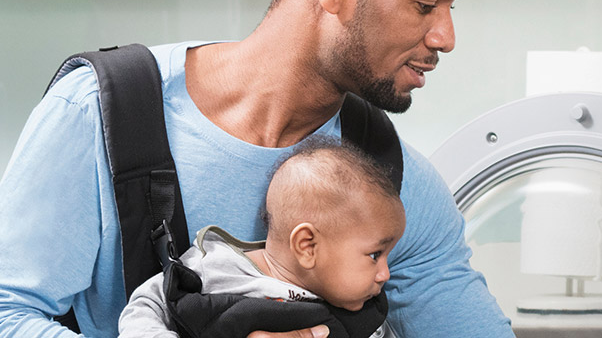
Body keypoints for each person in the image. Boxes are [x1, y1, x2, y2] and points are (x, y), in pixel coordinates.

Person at [0, 0, 514, 334]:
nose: (446, 36)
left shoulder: (388, 177)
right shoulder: (100, 113)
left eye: (451, 6)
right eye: (425, 4)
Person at [118, 138, 403, 338]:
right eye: (375, 255)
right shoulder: (217, 268)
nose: (385, 274)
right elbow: (147, 304)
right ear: (307, 246)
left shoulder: (367, 314)